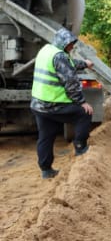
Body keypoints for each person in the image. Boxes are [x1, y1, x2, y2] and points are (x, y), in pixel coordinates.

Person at [31, 28, 94, 179]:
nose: (72, 47)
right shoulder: (59, 56)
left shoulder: (47, 50)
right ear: (63, 43)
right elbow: (71, 84)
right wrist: (82, 102)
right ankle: (80, 147)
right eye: (70, 44)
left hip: (38, 105)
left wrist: (84, 63)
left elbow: (68, 63)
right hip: (53, 104)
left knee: (45, 136)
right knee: (84, 113)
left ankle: (46, 170)